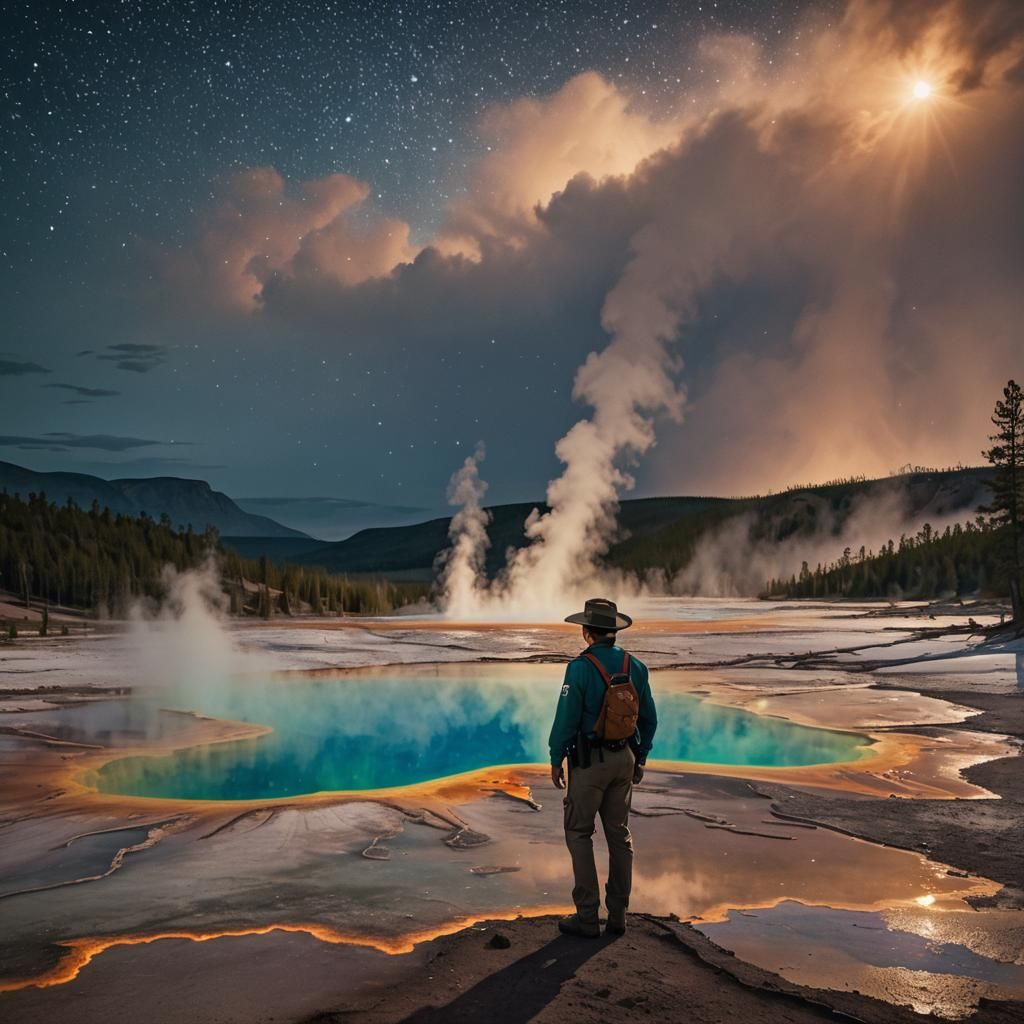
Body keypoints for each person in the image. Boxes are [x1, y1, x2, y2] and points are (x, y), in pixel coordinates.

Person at [549, 597, 657, 938]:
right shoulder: (636, 667)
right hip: (623, 759)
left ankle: (586, 916)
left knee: (579, 832)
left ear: (586, 632)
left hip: (589, 763)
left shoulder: (579, 669)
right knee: (619, 835)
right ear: (612, 630)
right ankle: (618, 916)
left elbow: (565, 721)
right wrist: (639, 757)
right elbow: (650, 719)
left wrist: (556, 758)